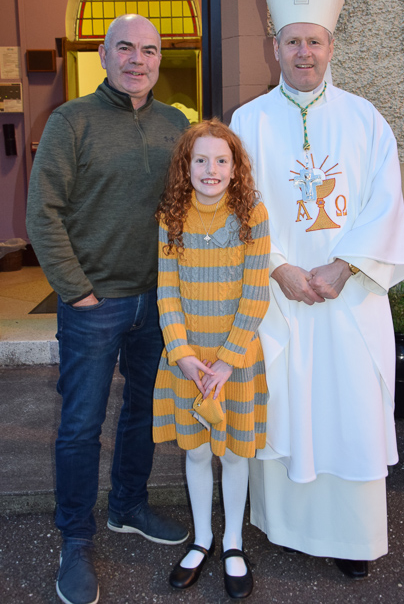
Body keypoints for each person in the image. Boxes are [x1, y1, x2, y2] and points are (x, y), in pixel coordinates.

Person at [231, 0, 404, 579]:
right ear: (273, 45)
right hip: (280, 300)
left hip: (349, 301)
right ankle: (286, 528)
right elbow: (238, 206)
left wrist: (342, 267)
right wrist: (279, 266)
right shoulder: (247, 122)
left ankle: (354, 539)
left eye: (313, 41)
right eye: (291, 42)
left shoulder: (367, 121)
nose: (303, 53)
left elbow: (385, 204)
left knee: (350, 410)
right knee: (286, 405)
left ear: (330, 43)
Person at [26, 14, 190, 604]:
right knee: (80, 426)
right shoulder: (72, 121)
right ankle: (74, 537)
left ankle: (128, 505)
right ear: (104, 54)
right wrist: (76, 290)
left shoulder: (177, 124)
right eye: (126, 47)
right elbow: (41, 213)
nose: (138, 60)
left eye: (149, 50)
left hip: (158, 302)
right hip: (94, 303)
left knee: (143, 413)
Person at [152, 119, 270, 599]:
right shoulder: (171, 217)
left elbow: (256, 292)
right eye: (200, 159)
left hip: (234, 360)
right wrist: (182, 355)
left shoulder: (251, 215)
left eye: (221, 160)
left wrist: (226, 361)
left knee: (235, 453)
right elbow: (166, 292)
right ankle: (202, 539)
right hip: (187, 360)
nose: (211, 169)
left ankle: (234, 544)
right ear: (186, 166)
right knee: (197, 451)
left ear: (235, 166)